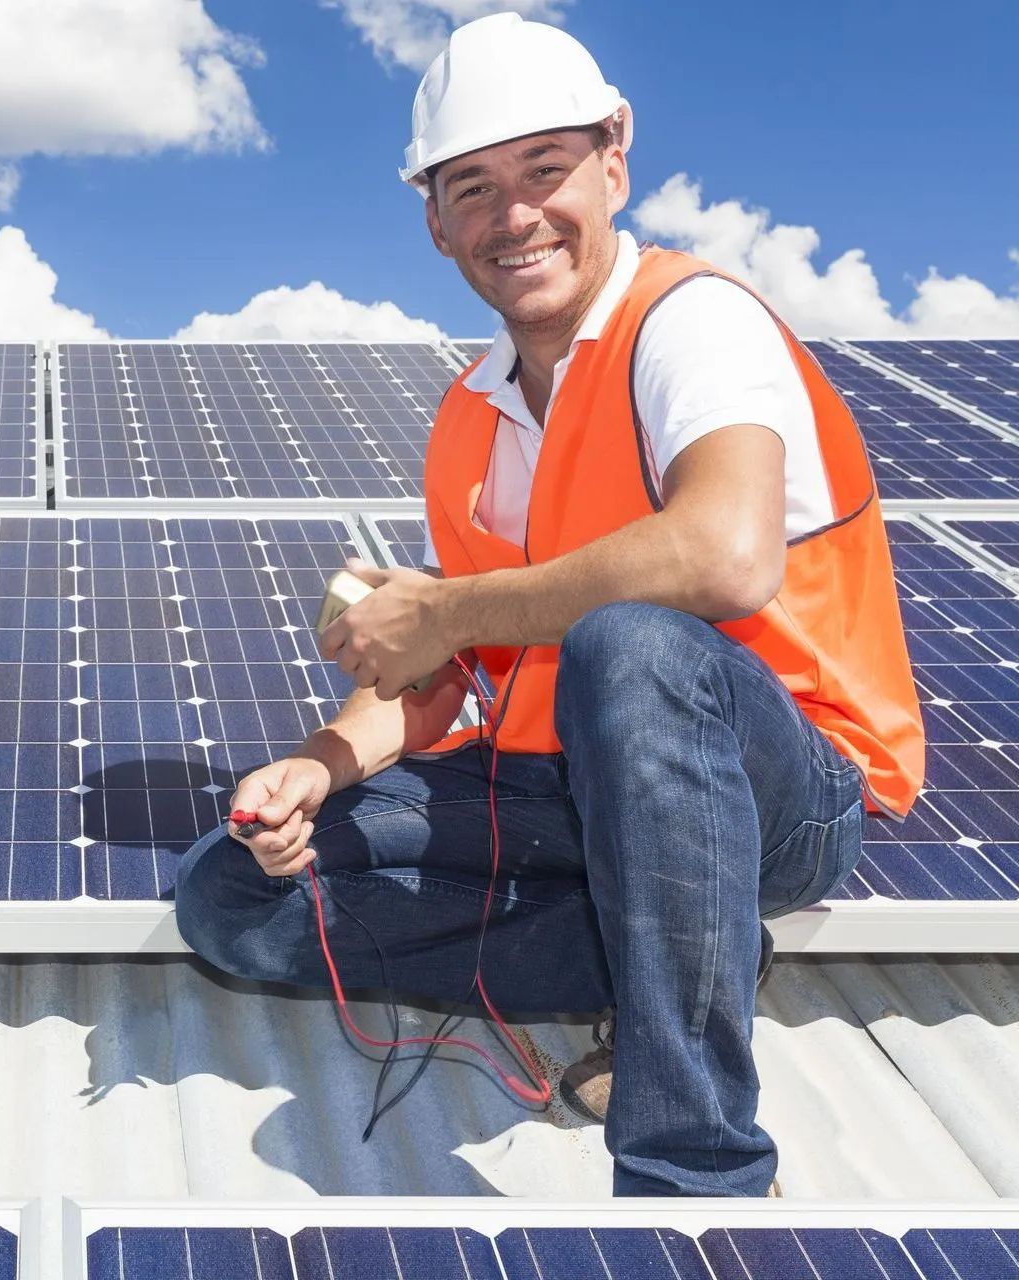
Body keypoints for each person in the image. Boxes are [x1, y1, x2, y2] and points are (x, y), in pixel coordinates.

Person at [175, 11, 924, 1197]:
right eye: (471, 186)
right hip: (567, 783)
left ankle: (693, 1175)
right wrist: (317, 764)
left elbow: (725, 556)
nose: (512, 214)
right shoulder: (467, 417)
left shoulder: (691, 324)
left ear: (613, 159)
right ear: (433, 220)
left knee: (628, 647)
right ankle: (681, 945)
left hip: (779, 782)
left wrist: (451, 605)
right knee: (232, 895)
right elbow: (451, 681)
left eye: (543, 169)